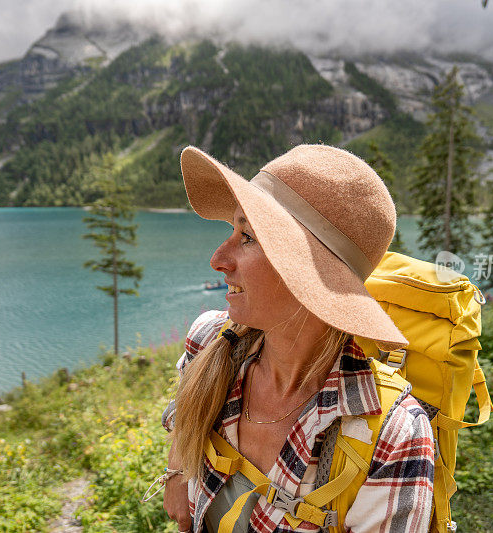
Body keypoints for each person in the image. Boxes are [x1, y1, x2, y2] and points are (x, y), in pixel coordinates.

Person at [160, 144, 435, 532]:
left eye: (248, 237)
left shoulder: (394, 434)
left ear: (308, 275)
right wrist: (176, 472)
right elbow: (183, 421)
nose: (218, 258)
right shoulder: (208, 341)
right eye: (232, 230)